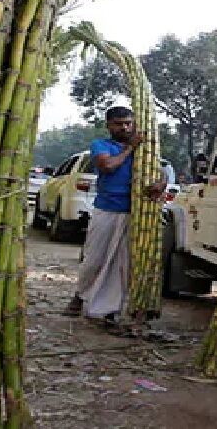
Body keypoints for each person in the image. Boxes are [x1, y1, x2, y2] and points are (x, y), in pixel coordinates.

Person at [66, 106, 164, 321]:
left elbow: (161, 172)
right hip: (107, 209)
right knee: (94, 258)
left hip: (137, 213)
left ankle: (111, 309)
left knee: (123, 264)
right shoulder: (101, 145)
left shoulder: (145, 149)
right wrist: (129, 148)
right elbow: (107, 166)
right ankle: (80, 296)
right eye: (119, 124)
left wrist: (161, 184)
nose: (125, 127)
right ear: (108, 125)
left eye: (128, 123)